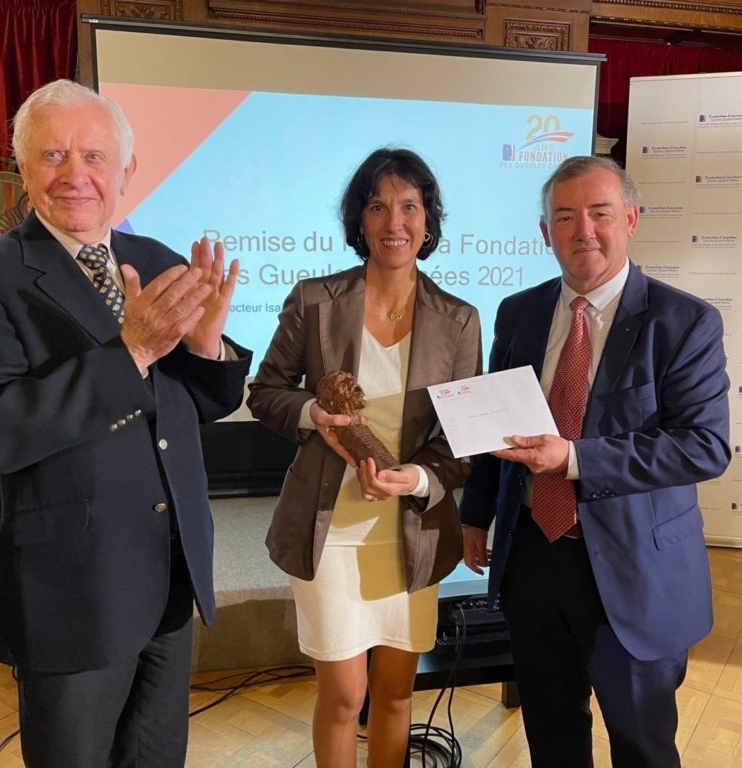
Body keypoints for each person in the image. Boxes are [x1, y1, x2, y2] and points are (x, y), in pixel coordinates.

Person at [0, 79, 252, 768]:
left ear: (126, 171)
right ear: (22, 168)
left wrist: (208, 353)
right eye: (53, 155)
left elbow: (196, 406)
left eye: (94, 156)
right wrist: (130, 351)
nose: (75, 174)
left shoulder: (159, 263)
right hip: (73, 589)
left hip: (170, 575)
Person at [459, 155, 731, 767]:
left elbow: (703, 445)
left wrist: (575, 458)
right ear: (545, 232)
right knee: (552, 738)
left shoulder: (684, 322)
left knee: (641, 747)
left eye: (599, 213)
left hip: (634, 574)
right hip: (533, 558)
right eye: (564, 217)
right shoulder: (519, 312)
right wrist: (475, 514)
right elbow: (496, 423)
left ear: (630, 219)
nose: (583, 230)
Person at [247, 148, 482, 767]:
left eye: (409, 206)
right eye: (377, 206)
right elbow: (266, 392)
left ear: (428, 219)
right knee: (345, 695)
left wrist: (419, 477)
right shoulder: (315, 300)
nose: (393, 221)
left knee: (396, 693)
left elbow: (460, 441)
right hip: (329, 530)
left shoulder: (459, 321)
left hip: (412, 530)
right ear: (359, 220)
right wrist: (312, 414)